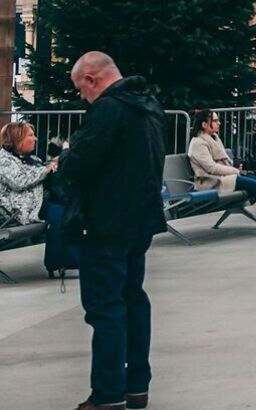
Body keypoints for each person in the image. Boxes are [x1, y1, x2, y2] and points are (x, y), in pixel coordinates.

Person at [61, 51, 168, 410]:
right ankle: (136, 386)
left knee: (105, 309)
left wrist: (65, 157)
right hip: (138, 222)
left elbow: (81, 163)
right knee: (133, 300)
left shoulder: (109, 109)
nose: (82, 96)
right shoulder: (148, 106)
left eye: (80, 88)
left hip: (105, 224)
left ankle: (107, 395)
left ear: (92, 80)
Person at [186, 108, 256, 234]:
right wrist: (234, 171)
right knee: (254, 184)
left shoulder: (213, 138)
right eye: (215, 121)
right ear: (204, 125)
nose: (219, 123)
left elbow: (222, 161)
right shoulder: (198, 143)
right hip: (210, 181)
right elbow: (211, 168)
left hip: (222, 178)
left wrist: (235, 167)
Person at [0, 119, 57, 226]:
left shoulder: (34, 159)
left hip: (38, 204)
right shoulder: (3, 160)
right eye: (30, 135)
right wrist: (46, 169)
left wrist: (55, 163)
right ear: (17, 138)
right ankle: (56, 243)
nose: (35, 139)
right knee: (58, 213)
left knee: (68, 209)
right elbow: (19, 181)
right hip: (18, 212)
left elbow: (38, 173)